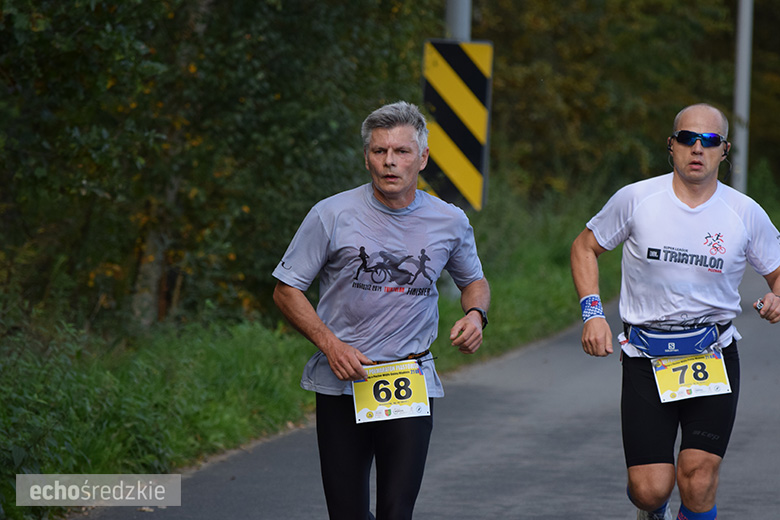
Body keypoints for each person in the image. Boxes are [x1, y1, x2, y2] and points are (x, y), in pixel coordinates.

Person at [272, 101, 490, 520]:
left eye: (402, 151)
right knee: (347, 513)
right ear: (367, 157)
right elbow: (286, 290)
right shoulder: (331, 214)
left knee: (395, 511)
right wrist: (330, 345)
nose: (390, 162)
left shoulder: (450, 220)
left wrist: (476, 315)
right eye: (379, 151)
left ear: (422, 158)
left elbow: (474, 282)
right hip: (343, 380)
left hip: (408, 379)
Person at [570, 103, 780, 520]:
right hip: (646, 356)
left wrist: (777, 296)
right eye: (687, 138)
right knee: (649, 491)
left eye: (709, 141)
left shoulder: (743, 212)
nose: (697, 148)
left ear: (725, 150)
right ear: (671, 146)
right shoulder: (636, 199)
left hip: (711, 352)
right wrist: (593, 312)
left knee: (698, 476)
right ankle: (653, 510)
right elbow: (584, 247)